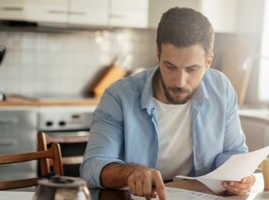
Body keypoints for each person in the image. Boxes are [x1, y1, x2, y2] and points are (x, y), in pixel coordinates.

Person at [80, 7, 255, 200]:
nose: (179, 81)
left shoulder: (221, 88)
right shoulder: (119, 96)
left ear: (208, 61)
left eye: (192, 69)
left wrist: (240, 177)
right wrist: (130, 172)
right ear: (158, 55)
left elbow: (233, 152)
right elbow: (92, 166)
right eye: (170, 66)